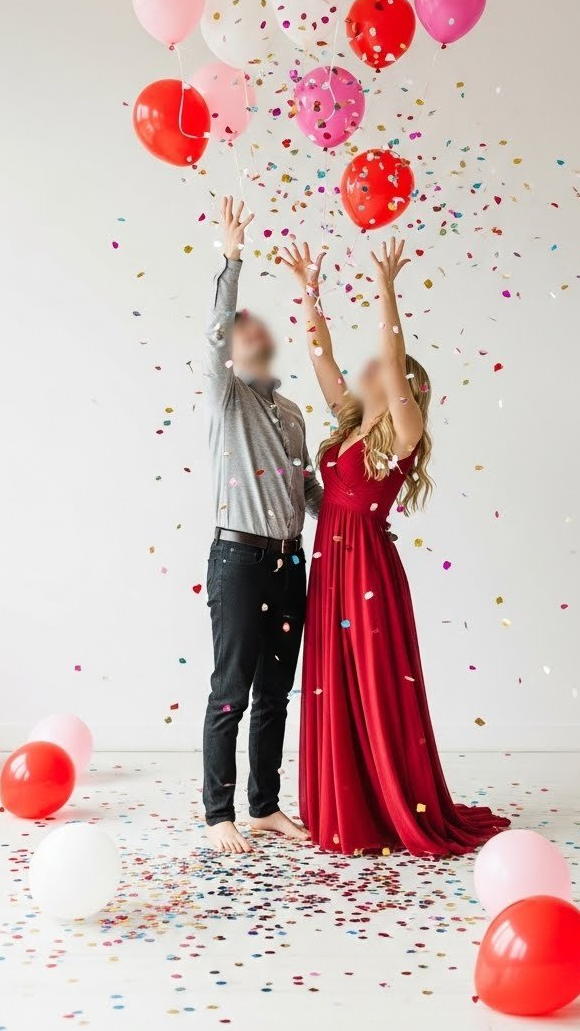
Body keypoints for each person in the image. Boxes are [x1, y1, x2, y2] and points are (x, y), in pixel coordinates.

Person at [279, 236, 510, 856]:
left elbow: (393, 350)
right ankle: (343, 802)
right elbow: (320, 357)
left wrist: (386, 288)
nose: (369, 370)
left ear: (403, 382)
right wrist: (311, 291)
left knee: (373, 684)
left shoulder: (402, 429)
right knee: (335, 680)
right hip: (331, 567)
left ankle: (387, 805)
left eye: (383, 367)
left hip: (367, 572)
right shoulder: (353, 421)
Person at [201, 197, 324, 854]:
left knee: (276, 691)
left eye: (258, 334)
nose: (250, 339)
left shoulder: (294, 414)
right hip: (240, 561)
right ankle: (218, 811)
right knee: (232, 689)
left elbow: (307, 490)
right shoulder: (228, 399)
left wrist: (348, 522)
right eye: (241, 335)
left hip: (289, 561)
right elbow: (216, 330)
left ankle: (264, 805)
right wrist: (231, 258)